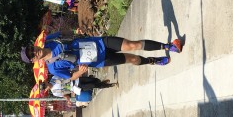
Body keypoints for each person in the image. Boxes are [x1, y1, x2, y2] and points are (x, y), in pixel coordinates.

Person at [20, 34, 183, 80]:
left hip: (99, 43)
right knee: (132, 59)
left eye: (31, 49)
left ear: (34, 46)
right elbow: (70, 77)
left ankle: (169, 46)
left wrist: (77, 33)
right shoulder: (53, 68)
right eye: (31, 56)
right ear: (34, 61)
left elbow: (67, 34)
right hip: (99, 61)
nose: (34, 52)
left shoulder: (51, 39)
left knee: (132, 45)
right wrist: (80, 72)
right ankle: (153, 61)